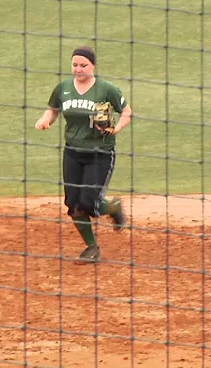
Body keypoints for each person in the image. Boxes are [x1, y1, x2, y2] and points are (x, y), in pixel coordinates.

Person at [35, 46, 132, 264]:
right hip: (72, 153)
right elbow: (53, 109)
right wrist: (45, 120)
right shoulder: (64, 88)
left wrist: (115, 129)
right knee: (73, 205)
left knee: (90, 203)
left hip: (100, 154)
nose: (78, 70)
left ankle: (113, 207)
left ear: (93, 66)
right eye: (75, 65)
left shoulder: (107, 89)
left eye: (83, 65)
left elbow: (126, 112)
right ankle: (91, 248)